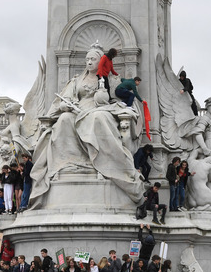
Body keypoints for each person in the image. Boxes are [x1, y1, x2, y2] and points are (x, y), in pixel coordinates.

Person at [28, 45, 145, 209]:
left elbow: (118, 101)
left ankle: (105, 163)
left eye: (93, 59)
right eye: (87, 59)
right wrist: (66, 106)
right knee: (64, 120)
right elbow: (63, 100)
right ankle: (68, 164)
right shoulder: (76, 80)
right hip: (77, 109)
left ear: (101, 61)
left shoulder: (110, 80)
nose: (89, 62)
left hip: (100, 110)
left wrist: (102, 96)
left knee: (98, 118)